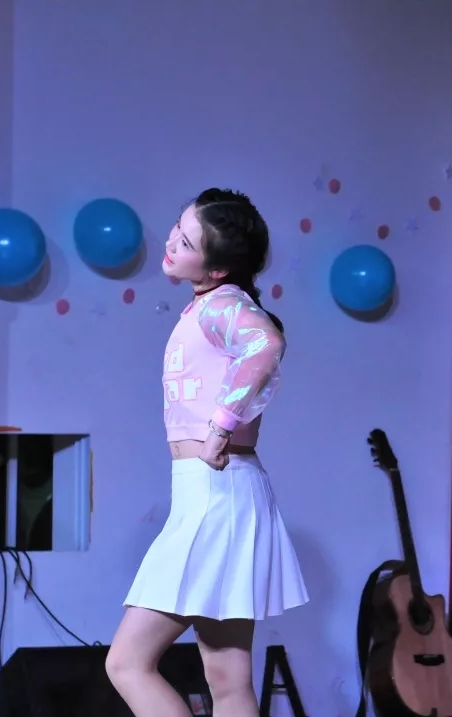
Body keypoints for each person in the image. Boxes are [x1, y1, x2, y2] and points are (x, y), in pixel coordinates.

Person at [106, 188, 309, 716]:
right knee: (228, 681)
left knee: (127, 663)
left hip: (218, 493)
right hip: (221, 492)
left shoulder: (222, 304)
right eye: (177, 229)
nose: (170, 243)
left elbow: (265, 343)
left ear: (216, 269)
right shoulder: (209, 304)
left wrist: (221, 426)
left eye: (186, 242)